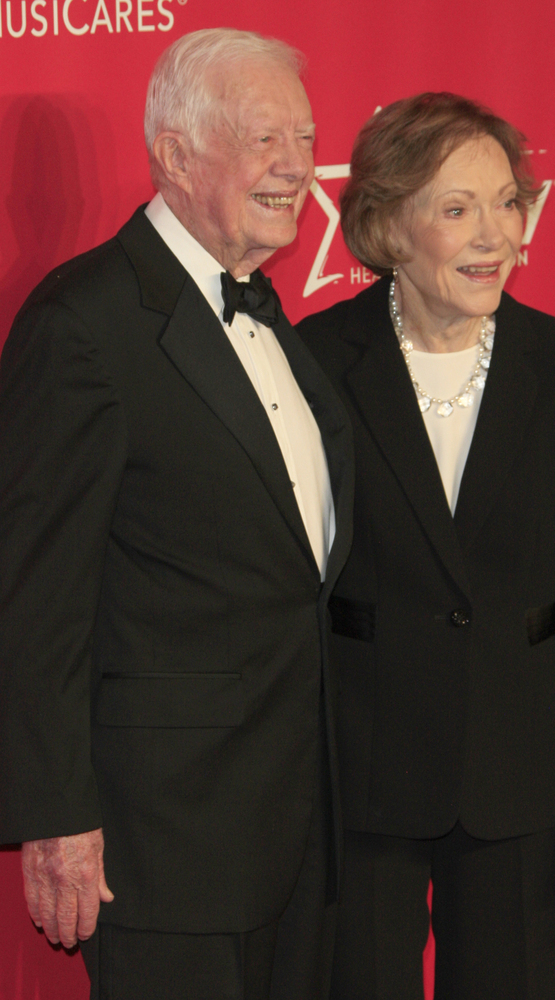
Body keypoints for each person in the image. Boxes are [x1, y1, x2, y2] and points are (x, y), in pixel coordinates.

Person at [0, 28, 353, 1000]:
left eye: (304, 135)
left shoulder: (271, 313)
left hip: (298, 831)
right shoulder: (84, 323)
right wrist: (56, 816)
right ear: (174, 152)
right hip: (166, 844)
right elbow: (35, 598)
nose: (295, 164)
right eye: (263, 137)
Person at [297, 91, 555, 1000]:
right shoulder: (312, 358)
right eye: (456, 209)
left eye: (506, 202)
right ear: (386, 225)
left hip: (518, 768)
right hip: (365, 766)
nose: (494, 233)